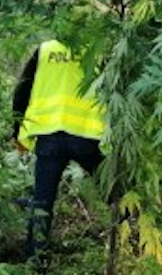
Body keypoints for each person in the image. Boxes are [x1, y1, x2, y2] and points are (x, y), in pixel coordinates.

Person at [12, 39, 107, 260]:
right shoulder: (97, 46)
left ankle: (35, 260)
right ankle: (132, 237)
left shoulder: (45, 50)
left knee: (42, 201)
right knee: (115, 190)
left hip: (49, 135)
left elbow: (22, 90)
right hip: (85, 133)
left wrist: (17, 131)